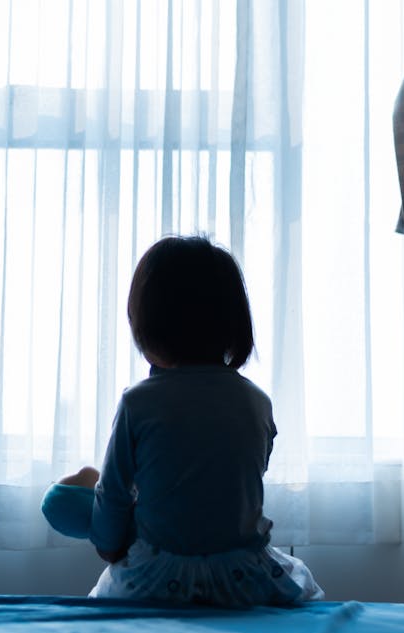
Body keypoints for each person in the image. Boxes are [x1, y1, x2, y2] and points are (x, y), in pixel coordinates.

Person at [41, 235, 323, 607]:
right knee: (302, 583)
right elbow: (236, 482)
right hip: (242, 579)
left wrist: (110, 549)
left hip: (157, 580)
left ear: (146, 326)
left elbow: (113, 496)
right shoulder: (256, 402)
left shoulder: (137, 403)